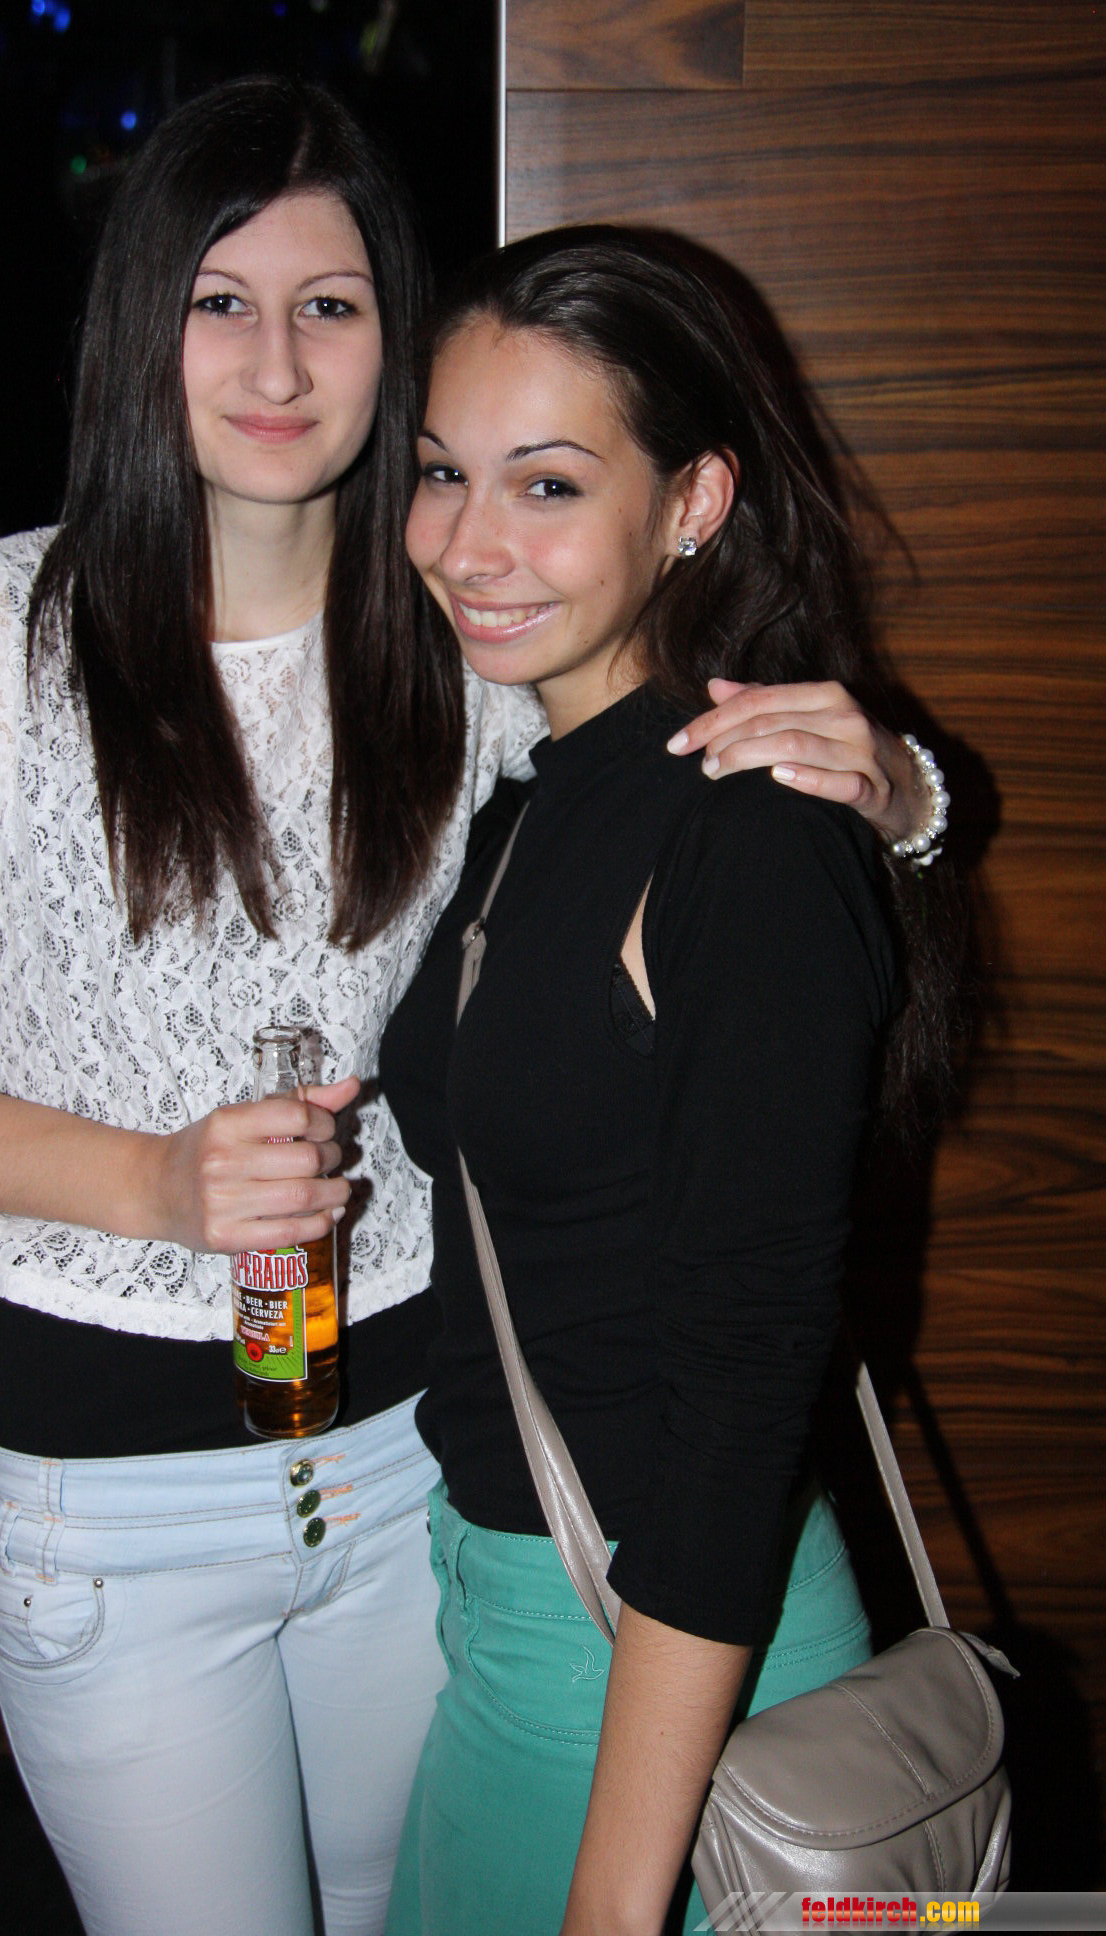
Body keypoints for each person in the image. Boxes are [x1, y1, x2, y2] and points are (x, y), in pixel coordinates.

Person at [0, 73, 937, 1936]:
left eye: (329, 305)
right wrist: (115, 1182)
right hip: (116, 1485)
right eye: (220, 300)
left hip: (423, 1458)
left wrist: (898, 791)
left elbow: (702, 818)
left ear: (389, 336)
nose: (276, 362)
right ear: (140, 325)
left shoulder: (464, 622)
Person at [377, 227, 957, 1936]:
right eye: (442, 473)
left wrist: (620, 1897)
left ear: (694, 502)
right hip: (516, 1611)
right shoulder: (536, 796)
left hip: (649, 1655)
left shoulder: (747, 828)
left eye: (548, 485)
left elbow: (740, 1393)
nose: (468, 543)